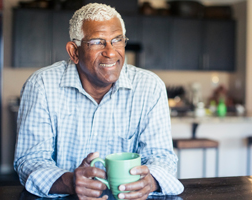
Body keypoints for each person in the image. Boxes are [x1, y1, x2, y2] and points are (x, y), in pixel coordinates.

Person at [14, 3, 184, 199]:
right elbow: (29, 161)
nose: (111, 52)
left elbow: (162, 158)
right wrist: (70, 182)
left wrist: (151, 180)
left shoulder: (150, 87)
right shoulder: (41, 85)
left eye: (117, 40)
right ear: (74, 52)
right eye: (97, 42)